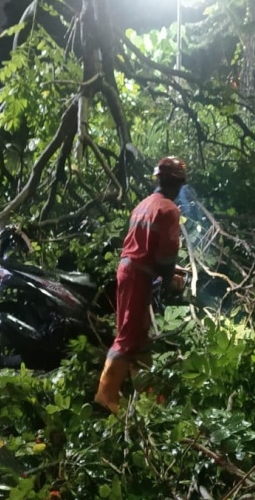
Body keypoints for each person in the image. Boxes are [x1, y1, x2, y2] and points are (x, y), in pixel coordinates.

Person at [94, 156, 187, 413]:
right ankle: (105, 396)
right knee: (126, 336)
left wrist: (166, 271)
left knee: (139, 337)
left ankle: (149, 399)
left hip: (130, 271)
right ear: (177, 184)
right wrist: (169, 281)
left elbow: (142, 248)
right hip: (137, 277)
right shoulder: (168, 209)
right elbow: (166, 256)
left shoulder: (143, 205)